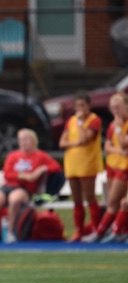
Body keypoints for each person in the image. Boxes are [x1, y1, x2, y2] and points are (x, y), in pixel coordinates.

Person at [0, 129, 62, 244]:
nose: (23, 142)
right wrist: (23, 176)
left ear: (33, 140)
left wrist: (41, 169)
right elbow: (7, 174)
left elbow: (56, 167)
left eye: (26, 139)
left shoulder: (41, 156)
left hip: (25, 189)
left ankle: (10, 233)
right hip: (8, 186)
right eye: (20, 139)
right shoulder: (13, 156)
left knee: (14, 200)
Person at [82, 92, 128, 242]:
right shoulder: (114, 124)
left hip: (124, 167)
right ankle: (116, 231)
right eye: (113, 104)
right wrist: (118, 151)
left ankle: (104, 232)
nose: (115, 107)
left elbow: (124, 144)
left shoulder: (121, 124)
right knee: (113, 202)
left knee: (116, 201)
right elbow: (108, 146)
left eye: (118, 104)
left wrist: (119, 128)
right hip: (112, 164)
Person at [58, 91, 104, 242]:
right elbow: (62, 142)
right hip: (72, 163)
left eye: (82, 105)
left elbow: (84, 139)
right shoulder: (70, 120)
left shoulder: (94, 120)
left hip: (87, 164)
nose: (79, 109)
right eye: (77, 105)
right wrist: (74, 143)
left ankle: (97, 230)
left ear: (88, 105)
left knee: (90, 197)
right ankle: (79, 230)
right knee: (76, 199)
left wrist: (79, 123)